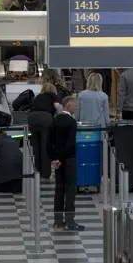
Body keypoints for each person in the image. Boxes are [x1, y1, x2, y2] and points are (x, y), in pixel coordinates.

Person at [49, 95, 83, 231]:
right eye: (75, 105)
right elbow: (69, 143)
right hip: (69, 159)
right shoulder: (71, 122)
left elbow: (49, 142)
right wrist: (62, 158)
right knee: (70, 189)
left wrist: (55, 158)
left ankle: (58, 220)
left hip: (58, 161)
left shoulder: (55, 121)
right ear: (68, 105)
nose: (77, 108)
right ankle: (70, 220)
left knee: (59, 189)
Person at [28, 82, 59, 180]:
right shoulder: (53, 96)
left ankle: (36, 172)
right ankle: (45, 174)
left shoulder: (38, 97)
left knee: (36, 146)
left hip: (32, 118)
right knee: (45, 147)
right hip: (45, 118)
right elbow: (57, 108)